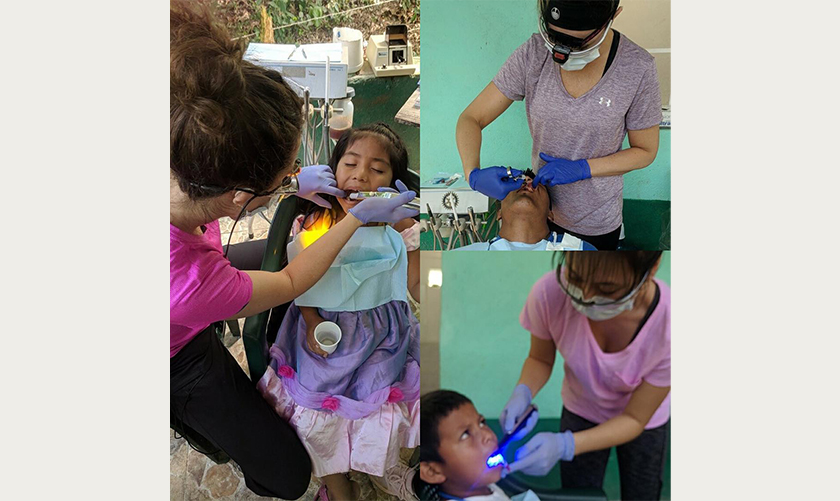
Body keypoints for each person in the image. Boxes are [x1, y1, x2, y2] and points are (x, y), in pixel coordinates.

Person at [169, 2, 417, 498]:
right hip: (175, 352)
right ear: (241, 197)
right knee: (286, 474)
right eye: (284, 176)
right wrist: (355, 218)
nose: (359, 177)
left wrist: (289, 185)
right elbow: (288, 282)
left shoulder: (179, 155)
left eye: (377, 169)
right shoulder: (191, 281)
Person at [258, 123, 420, 501]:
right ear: (333, 172)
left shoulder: (399, 225)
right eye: (350, 164)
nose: (361, 176)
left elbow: (414, 285)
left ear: (392, 183)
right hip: (322, 327)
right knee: (321, 410)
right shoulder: (316, 221)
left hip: (383, 331)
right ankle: (335, 480)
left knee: (379, 395)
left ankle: (382, 466)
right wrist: (313, 322)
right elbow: (302, 284)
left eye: (377, 170)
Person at [456, 0, 662, 250]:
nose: (563, 50)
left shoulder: (637, 68)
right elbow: (471, 119)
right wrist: (473, 175)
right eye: (555, 37)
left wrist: (584, 168)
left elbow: (645, 151)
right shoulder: (533, 54)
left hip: (596, 222)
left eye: (578, 42)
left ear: (613, 16)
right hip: (541, 218)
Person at [501, 252, 670, 500]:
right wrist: (522, 391)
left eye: (607, 288)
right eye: (576, 278)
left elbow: (635, 418)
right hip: (581, 407)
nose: (586, 298)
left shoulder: (671, 323)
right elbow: (540, 359)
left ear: (652, 267)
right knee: (578, 491)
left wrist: (566, 445)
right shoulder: (548, 293)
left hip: (644, 419)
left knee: (642, 491)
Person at [456, 172, 595, 251]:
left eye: (536, 184)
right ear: (499, 212)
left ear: (550, 214)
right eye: (518, 182)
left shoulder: (580, 249)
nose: (526, 183)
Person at [415, 390, 513, 501]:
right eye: (465, 434)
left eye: (482, 423)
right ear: (432, 471)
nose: (488, 435)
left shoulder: (483, 486)